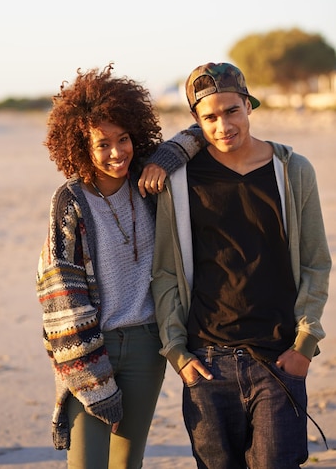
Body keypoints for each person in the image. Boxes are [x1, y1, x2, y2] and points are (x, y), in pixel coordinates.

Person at [150, 62, 332, 469]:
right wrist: (177, 352)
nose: (223, 125)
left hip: (277, 357)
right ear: (196, 123)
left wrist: (304, 344)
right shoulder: (180, 181)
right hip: (206, 363)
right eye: (209, 117)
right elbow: (164, 272)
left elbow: (317, 263)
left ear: (249, 105)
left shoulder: (292, 171)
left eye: (232, 111)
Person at [36, 64, 204, 469]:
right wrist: (94, 380)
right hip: (92, 347)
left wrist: (163, 157)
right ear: (80, 146)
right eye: (102, 144)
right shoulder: (71, 202)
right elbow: (62, 295)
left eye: (124, 138)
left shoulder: (147, 182)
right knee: (87, 464)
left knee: (127, 464)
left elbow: (200, 132)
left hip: (148, 345)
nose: (117, 152)